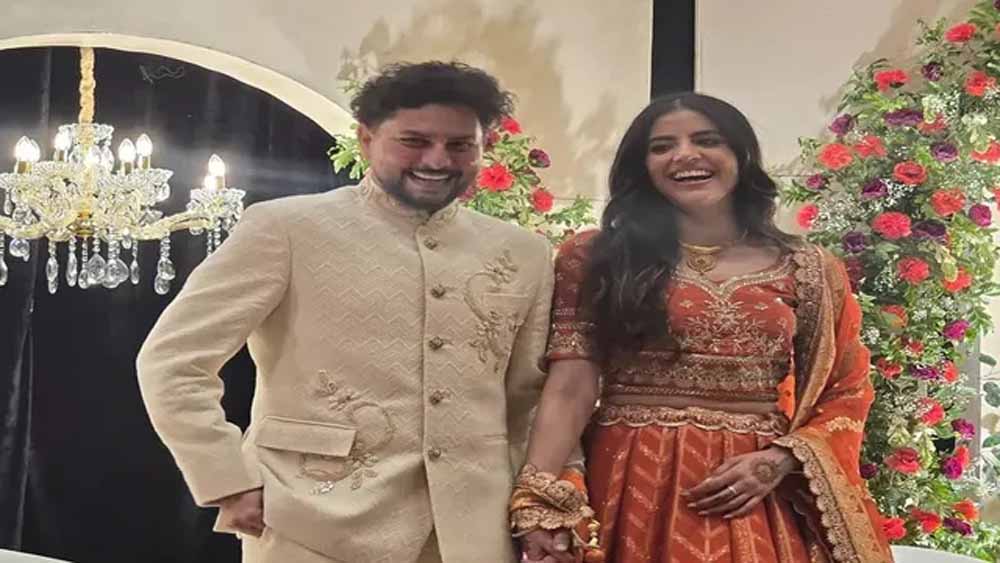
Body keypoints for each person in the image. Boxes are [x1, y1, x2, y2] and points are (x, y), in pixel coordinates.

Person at [137, 61, 558, 563]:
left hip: (473, 533)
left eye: (460, 145)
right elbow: (173, 362)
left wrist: (544, 508)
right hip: (310, 522)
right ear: (366, 138)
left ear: (483, 146)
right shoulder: (287, 229)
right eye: (414, 141)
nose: (437, 159)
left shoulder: (525, 253)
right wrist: (226, 478)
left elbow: (531, 400)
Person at [510, 93, 894, 562]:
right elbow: (571, 385)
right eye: (662, 146)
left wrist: (779, 461)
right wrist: (538, 497)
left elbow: (845, 388)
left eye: (707, 140)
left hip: (749, 488)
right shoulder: (596, 256)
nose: (685, 155)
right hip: (629, 475)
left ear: (741, 155)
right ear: (642, 166)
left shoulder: (808, 268)